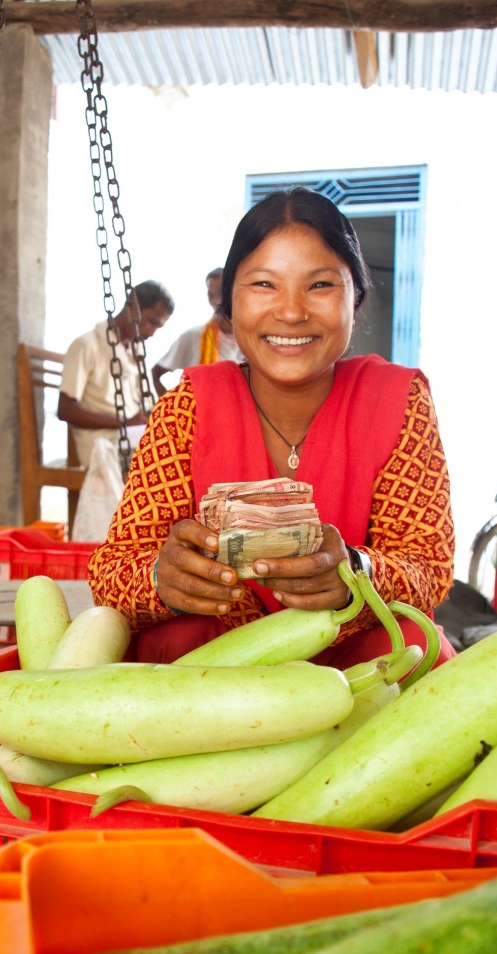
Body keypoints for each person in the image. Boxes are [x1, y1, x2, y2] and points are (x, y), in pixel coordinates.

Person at [88, 187, 457, 668]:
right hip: (213, 669)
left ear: (355, 297)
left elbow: (427, 565)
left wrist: (357, 571)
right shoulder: (187, 407)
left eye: (320, 285)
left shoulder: (398, 401)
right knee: (177, 634)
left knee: (410, 643)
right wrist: (163, 577)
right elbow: (113, 571)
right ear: (228, 302)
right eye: (264, 284)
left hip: (353, 663)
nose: (290, 311)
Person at [58, 280, 174, 469]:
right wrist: (125, 422)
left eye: (158, 327)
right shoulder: (86, 345)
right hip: (102, 445)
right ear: (132, 307)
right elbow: (65, 409)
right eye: (151, 322)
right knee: (165, 458)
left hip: (131, 438)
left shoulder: (136, 355)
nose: (152, 333)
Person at [151, 267, 243, 397]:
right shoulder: (194, 336)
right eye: (211, 295)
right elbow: (155, 374)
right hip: (199, 415)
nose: (217, 301)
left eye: (222, 293)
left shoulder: (249, 340)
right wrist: (173, 409)